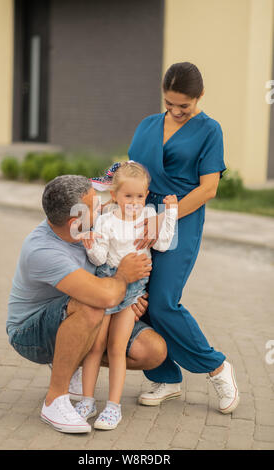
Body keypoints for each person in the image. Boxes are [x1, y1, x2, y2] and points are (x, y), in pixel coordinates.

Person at [105, 62, 240, 414]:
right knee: (138, 298)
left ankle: (217, 367)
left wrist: (165, 216)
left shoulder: (211, 130)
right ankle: (165, 377)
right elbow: (133, 173)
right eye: (170, 104)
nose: (177, 112)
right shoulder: (148, 124)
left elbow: (209, 188)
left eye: (185, 106)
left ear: (200, 97)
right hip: (136, 221)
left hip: (179, 223)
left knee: (164, 302)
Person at [6, 175, 167, 434]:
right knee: (91, 306)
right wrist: (124, 279)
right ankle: (54, 400)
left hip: (94, 306)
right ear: (76, 221)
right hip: (30, 333)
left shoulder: (89, 225)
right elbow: (104, 298)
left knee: (153, 351)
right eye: (94, 206)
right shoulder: (43, 250)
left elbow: (125, 196)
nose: (102, 206)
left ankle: (72, 359)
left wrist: (156, 218)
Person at [74, 162, 178, 430]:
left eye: (140, 196)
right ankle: (87, 401)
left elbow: (164, 243)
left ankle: (113, 407)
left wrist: (171, 211)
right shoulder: (107, 221)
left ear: (146, 195)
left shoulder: (148, 218)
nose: (134, 201)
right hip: (106, 285)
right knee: (95, 346)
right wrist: (89, 243)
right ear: (115, 196)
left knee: (117, 347)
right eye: (128, 196)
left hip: (132, 291)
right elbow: (99, 258)